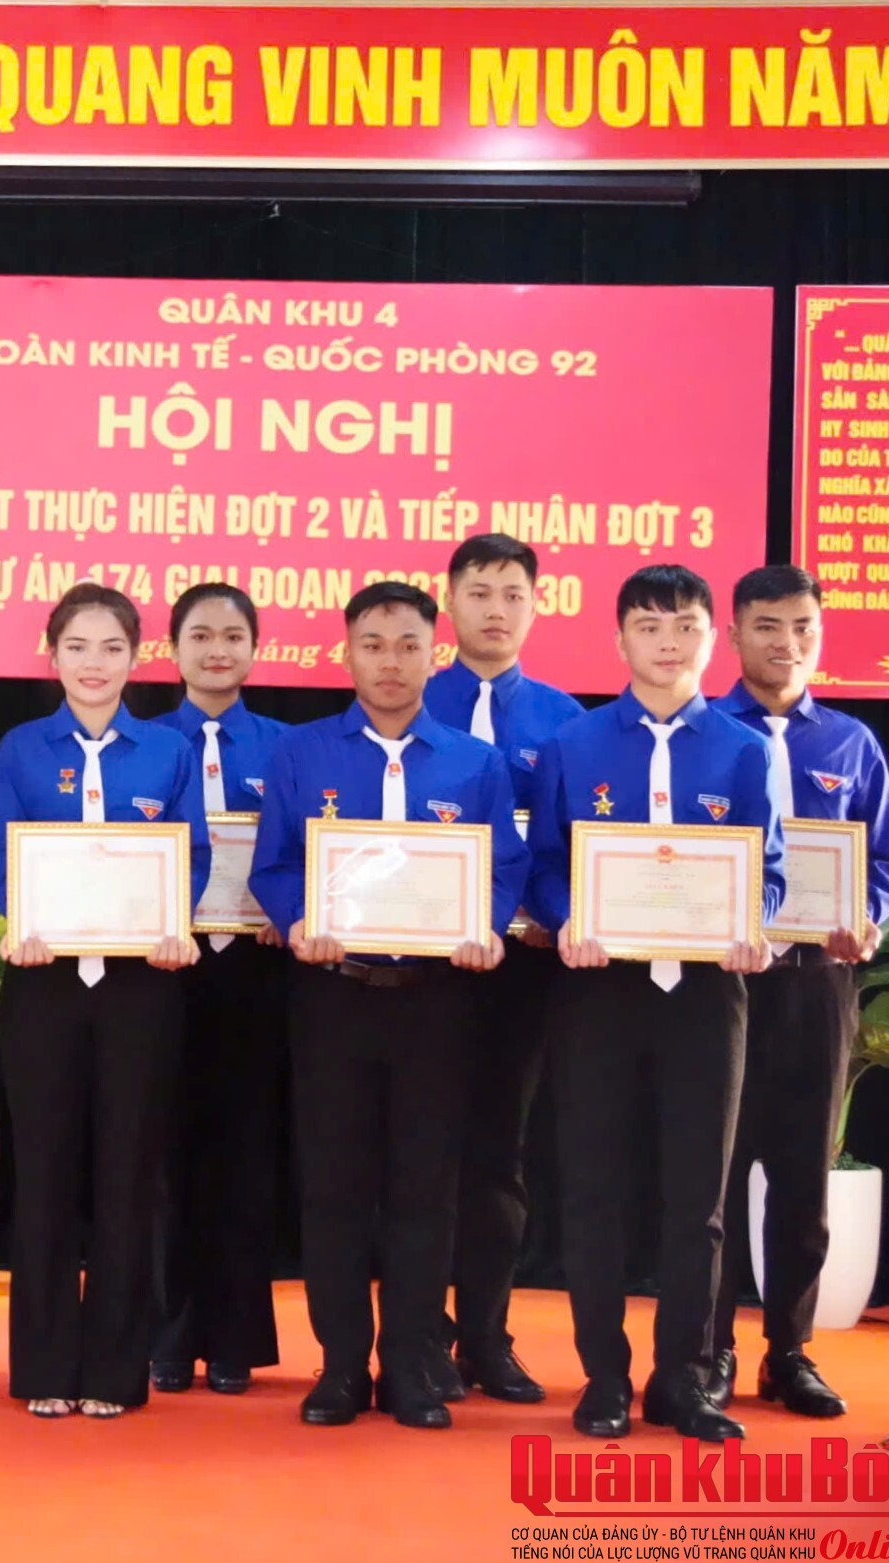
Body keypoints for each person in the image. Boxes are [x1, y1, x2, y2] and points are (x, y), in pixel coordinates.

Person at [249, 581, 525, 1431]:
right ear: (346, 653)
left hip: (435, 1002)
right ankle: (339, 1365)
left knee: (423, 1188)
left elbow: (504, 866)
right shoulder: (301, 753)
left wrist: (484, 925)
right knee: (333, 1186)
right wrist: (297, 920)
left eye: (408, 645)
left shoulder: (474, 763)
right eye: (372, 644)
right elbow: (272, 864)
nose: (390, 662)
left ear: (433, 655)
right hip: (333, 996)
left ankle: (410, 1363)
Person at [527, 564, 782, 1444]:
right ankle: (603, 1376)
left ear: (713, 639)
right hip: (598, 989)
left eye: (684, 626)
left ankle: (683, 1378)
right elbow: (545, 862)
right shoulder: (573, 743)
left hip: (706, 993)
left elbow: (766, 867)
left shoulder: (743, 750)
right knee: (592, 1188)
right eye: (648, 625)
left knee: (697, 1198)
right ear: (618, 639)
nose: (666, 642)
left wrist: (753, 922)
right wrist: (566, 918)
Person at [0, 584, 205, 1419]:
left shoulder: (167, 751)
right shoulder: (21, 748)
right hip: (43, 980)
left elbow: (190, 853)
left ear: (136, 657)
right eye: (77, 646)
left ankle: (113, 1370)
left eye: (112, 647)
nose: (94, 663)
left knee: (127, 1173)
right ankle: (43, 1363)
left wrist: (174, 922)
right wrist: (21, 918)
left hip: (139, 986)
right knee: (44, 1170)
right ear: (52, 655)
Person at [707, 565, 889, 1420]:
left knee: (801, 1176)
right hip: (720, 987)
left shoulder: (850, 742)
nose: (786, 643)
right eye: (766, 626)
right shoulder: (700, 732)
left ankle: (787, 1353)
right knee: (712, 1177)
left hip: (815, 987)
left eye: (802, 627)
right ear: (733, 633)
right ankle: (708, 1349)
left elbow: (888, 860)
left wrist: (864, 915)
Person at [421, 533, 586, 1407]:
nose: (494, 609)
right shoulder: (410, 699)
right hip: (421, 965)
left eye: (512, 593)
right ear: (448, 600)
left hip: (523, 965)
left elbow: (574, 845)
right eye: (478, 592)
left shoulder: (566, 719)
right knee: (419, 1156)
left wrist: (559, 916)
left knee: (497, 1155)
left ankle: (487, 1334)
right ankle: (419, 1336)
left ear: (535, 605)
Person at [150, 582, 290, 1397]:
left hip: (256, 970)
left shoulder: (287, 747)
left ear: (254, 649)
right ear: (172, 648)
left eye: (232, 635)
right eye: (199, 634)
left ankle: (235, 1338)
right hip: (163, 967)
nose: (216, 650)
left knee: (245, 1154)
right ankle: (167, 1336)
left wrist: (290, 909)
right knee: (162, 1153)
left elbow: (308, 849)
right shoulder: (143, 743)